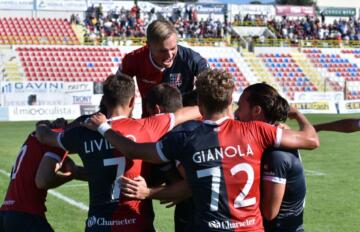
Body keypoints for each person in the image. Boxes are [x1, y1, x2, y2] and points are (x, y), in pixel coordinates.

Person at [82, 69, 319, 232]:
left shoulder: (185, 139)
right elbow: (311, 140)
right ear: (230, 102)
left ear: (200, 105)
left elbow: (132, 150)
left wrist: (104, 127)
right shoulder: (257, 131)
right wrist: (297, 115)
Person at [35, 74, 200, 232]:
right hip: (137, 224)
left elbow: (45, 137)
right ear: (132, 101)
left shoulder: (82, 132)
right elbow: (194, 111)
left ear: (104, 100)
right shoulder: (147, 127)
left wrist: (43, 125)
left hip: (98, 225)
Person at [234, 83, 306, 232]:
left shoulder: (276, 154)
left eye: (240, 107)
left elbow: (270, 212)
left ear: (256, 111)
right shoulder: (272, 140)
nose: (237, 113)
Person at [0, 119, 85, 232]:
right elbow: (43, 181)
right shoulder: (57, 141)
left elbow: (74, 170)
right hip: (26, 216)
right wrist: (69, 176)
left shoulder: (38, 137)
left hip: (6, 214)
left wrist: (105, 175)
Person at [117, 19, 208, 115]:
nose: (169, 55)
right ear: (149, 46)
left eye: (173, 48)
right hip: (150, 122)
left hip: (183, 122)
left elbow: (212, 86)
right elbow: (117, 92)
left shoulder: (192, 59)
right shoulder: (134, 59)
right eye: (163, 51)